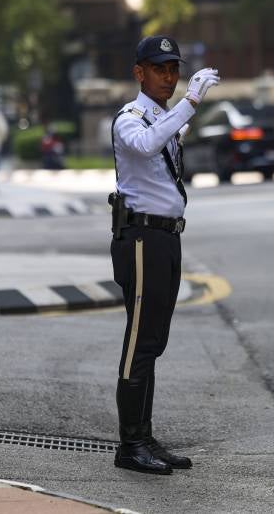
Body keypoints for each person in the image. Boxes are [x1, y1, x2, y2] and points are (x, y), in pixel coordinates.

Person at [109, 35, 220, 475]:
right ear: (139, 73)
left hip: (165, 238)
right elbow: (148, 144)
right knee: (138, 342)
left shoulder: (162, 116)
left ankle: (145, 436)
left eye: (174, 69)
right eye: (159, 69)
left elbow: (167, 139)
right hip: (140, 239)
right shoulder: (130, 118)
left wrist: (182, 113)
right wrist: (191, 101)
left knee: (153, 343)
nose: (169, 77)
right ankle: (129, 445)